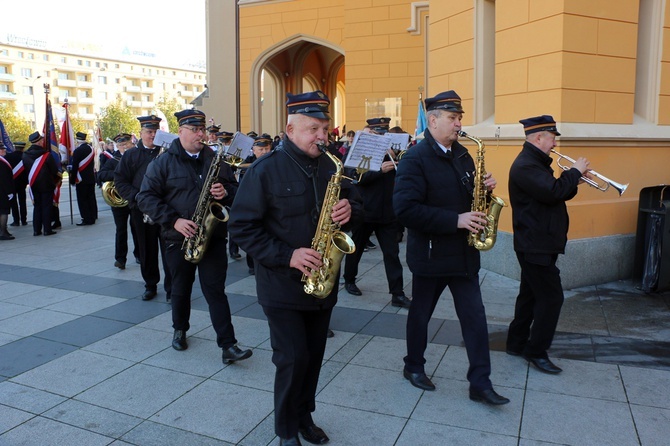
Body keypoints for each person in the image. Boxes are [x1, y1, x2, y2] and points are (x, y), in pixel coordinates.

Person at [229, 90, 362, 446]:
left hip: (322, 284)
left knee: (313, 357)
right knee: (292, 358)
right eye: (313, 128)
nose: (323, 135)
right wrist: (288, 256)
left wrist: (350, 212)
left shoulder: (331, 165)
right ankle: (287, 431)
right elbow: (241, 227)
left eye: (325, 128)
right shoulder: (264, 169)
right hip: (282, 284)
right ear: (290, 128)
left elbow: (354, 208)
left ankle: (304, 416)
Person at [393, 90, 510, 405]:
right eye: (453, 118)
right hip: (431, 255)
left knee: (475, 317)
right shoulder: (414, 159)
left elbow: (468, 200)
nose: (459, 124)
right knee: (421, 315)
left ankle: (480, 384)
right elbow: (405, 210)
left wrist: (483, 192)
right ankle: (413, 366)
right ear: (432, 120)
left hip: (463, 255)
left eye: (460, 118)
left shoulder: (463, 154)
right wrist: (455, 220)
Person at [136, 109, 252, 364]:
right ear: (181, 132)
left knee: (216, 292)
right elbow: (145, 197)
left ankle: (228, 345)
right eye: (194, 130)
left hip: (211, 237)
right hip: (177, 238)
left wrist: (226, 192)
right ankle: (180, 329)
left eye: (202, 129)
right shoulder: (162, 162)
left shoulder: (216, 159)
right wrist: (174, 220)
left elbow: (236, 191)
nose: (201, 134)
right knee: (180, 289)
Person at [506, 115, 590, 374]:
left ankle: (516, 342)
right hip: (536, 244)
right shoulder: (526, 165)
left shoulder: (536, 162)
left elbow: (552, 194)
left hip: (539, 241)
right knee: (552, 298)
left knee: (530, 295)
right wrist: (574, 171)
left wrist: (573, 181)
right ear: (539, 137)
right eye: (552, 138)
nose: (555, 144)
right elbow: (554, 191)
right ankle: (536, 351)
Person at [343, 117, 411, 309]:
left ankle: (397, 293)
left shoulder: (396, 153)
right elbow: (357, 179)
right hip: (365, 211)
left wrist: (396, 157)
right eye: (378, 133)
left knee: (392, 254)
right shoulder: (364, 153)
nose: (381, 136)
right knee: (355, 249)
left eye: (384, 133)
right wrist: (379, 170)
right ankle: (349, 279)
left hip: (388, 213)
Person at [115, 115, 172, 301]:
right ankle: (150, 285)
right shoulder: (131, 155)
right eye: (149, 131)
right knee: (146, 251)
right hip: (141, 211)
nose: (152, 135)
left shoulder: (167, 153)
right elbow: (120, 181)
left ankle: (172, 288)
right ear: (140, 133)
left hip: (165, 210)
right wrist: (137, 198)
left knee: (169, 251)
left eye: (156, 131)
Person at [233, 133, 274, 275]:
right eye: (261, 149)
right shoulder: (245, 163)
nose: (264, 152)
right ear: (254, 149)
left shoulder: (274, 162)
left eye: (267, 149)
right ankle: (252, 264)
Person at [98, 133, 139, 270]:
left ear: (131, 143)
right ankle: (120, 259)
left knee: (137, 228)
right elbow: (101, 175)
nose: (124, 147)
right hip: (118, 201)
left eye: (126, 144)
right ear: (117, 146)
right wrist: (118, 173)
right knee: (120, 230)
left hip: (134, 199)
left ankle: (139, 254)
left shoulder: (137, 156)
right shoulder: (113, 160)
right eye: (121, 145)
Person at [23, 132, 59, 236]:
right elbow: (54, 170)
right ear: (38, 142)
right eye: (41, 140)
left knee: (37, 206)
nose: (43, 141)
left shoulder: (25, 154)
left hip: (34, 184)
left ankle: (36, 230)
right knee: (47, 206)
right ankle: (47, 229)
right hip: (47, 184)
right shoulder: (46, 154)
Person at [70, 131, 98, 226]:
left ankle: (86, 218)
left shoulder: (77, 151)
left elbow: (75, 167)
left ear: (77, 140)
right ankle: (93, 215)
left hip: (81, 179)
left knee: (82, 200)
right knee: (91, 198)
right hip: (90, 178)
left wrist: (72, 180)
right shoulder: (91, 149)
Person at [6, 141, 28, 227]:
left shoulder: (8, 157)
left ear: (15, 147)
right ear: (23, 148)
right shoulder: (25, 157)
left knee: (13, 203)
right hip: (22, 183)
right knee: (22, 202)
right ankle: (24, 220)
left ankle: (16, 221)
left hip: (12, 183)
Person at [0, 140, 15, 240]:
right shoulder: (2, 163)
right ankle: (3, 231)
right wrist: (9, 192)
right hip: (2, 191)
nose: (4, 150)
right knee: (4, 211)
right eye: (2, 149)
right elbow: (5, 178)